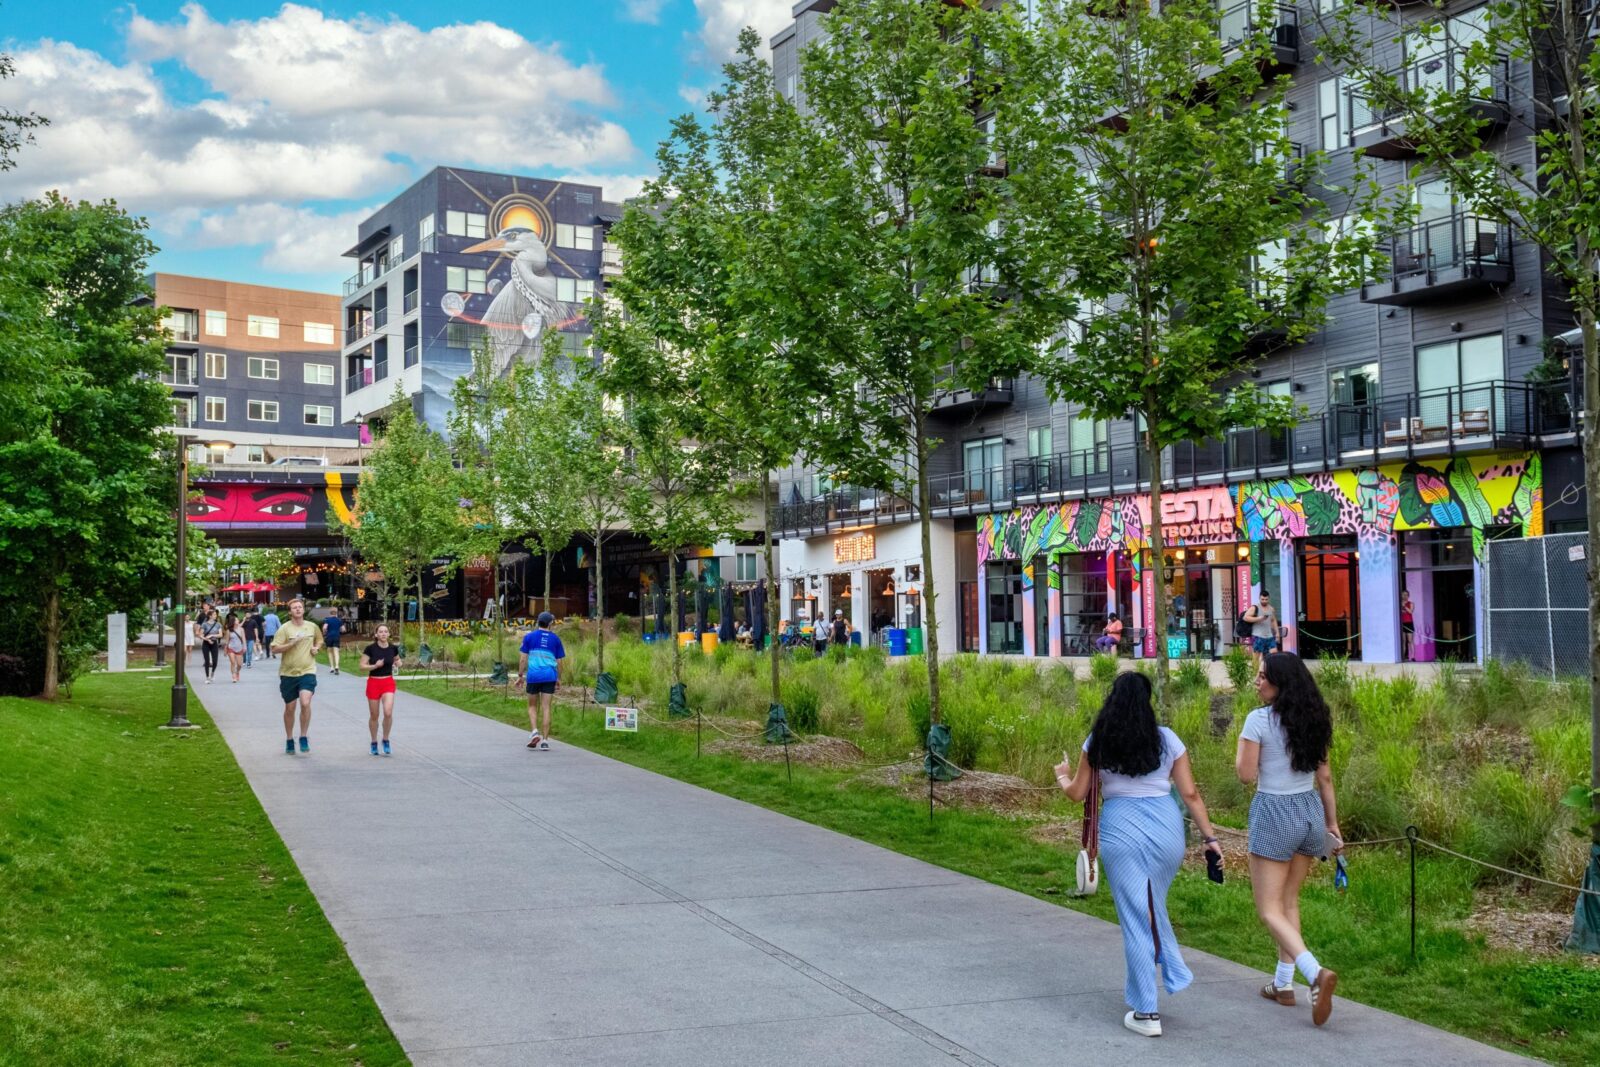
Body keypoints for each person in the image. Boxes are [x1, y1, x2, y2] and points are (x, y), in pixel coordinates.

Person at [1055, 672, 1223, 1038]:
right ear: (1147, 700)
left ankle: (1147, 1011)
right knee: (1150, 906)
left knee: (1136, 916)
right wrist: (1210, 838)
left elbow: (1078, 793)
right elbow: (1191, 795)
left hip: (1120, 828)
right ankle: (1169, 970)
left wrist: (1062, 777)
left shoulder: (1099, 739)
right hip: (1166, 829)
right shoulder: (1167, 740)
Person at [1236, 651, 1342, 1026]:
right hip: (1309, 812)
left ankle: (1314, 974)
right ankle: (1283, 984)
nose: (1257, 680)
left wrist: (1242, 747)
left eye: (1263, 676)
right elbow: (1325, 778)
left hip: (1273, 811)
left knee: (1268, 910)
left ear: (1280, 682)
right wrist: (1333, 825)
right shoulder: (1315, 718)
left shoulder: (1258, 720)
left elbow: (1246, 775)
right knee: (1289, 901)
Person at [275, 598, 323, 755]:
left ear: (303, 609)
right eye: (294, 608)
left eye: (300, 607)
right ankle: (289, 739)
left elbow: (320, 639)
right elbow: (274, 649)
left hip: (308, 671)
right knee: (290, 708)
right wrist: (292, 643)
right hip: (288, 673)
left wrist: (316, 648)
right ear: (290, 612)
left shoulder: (312, 627)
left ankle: (303, 736)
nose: (297, 609)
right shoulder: (284, 629)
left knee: (305, 702)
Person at [519, 611, 565, 750]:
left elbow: (523, 659)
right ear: (550, 623)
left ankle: (534, 733)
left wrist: (520, 675)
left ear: (538, 622)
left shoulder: (529, 637)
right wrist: (558, 678)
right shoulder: (556, 639)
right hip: (549, 676)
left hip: (533, 676)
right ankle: (545, 741)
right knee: (546, 708)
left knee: (532, 706)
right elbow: (560, 662)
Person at [360, 624, 402, 756]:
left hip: (388, 682)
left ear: (389, 634)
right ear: (376, 634)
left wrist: (398, 663)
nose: (383, 634)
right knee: (374, 715)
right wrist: (375, 665)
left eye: (386, 631)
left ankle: (385, 739)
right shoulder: (370, 649)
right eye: (380, 632)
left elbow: (397, 659)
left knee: (388, 712)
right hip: (374, 682)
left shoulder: (393, 648)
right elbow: (362, 666)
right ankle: (373, 742)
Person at [1243, 590, 1280, 670]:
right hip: (1258, 636)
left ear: (1268, 599)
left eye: (1266, 599)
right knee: (1256, 658)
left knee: (1274, 656)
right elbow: (1245, 617)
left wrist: (1277, 633)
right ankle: (1255, 675)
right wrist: (1260, 618)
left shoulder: (1271, 609)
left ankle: (1271, 674)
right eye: (1262, 599)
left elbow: (1273, 620)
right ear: (1259, 598)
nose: (1264, 601)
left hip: (1269, 636)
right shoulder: (1254, 607)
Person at [197, 608, 222, 684]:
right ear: (210, 616)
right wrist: (207, 639)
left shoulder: (218, 624)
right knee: (207, 661)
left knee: (215, 661)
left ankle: (212, 673)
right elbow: (200, 635)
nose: (216, 616)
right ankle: (207, 677)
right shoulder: (204, 624)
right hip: (206, 643)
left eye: (216, 614)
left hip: (214, 643)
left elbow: (221, 634)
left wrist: (212, 635)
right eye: (214, 614)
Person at [322, 608, 345, 675]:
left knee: (329, 652)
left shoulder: (327, 620)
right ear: (336, 613)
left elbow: (324, 628)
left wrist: (324, 632)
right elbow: (343, 629)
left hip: (329, 637)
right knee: (336, 652)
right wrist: (339, 630)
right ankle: (337, 666)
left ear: (330, 613)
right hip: (336, 636)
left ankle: (332, 667)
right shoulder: (339, 620)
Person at [224, 615, 246, 683]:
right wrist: (225, 649)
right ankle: (233, 676)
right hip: (231, 648)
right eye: (236, 620)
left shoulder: (241, 629)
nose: (238, 621)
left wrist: (244, 647)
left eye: (237, 620)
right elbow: (227, 641)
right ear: (233, 622)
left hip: (239, 648)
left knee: (239, 664)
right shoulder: (229, 631)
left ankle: (237, 672)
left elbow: (244, 639)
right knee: (233, 662)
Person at [1400, 590, 1414, 660]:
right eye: (1403, 595)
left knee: (1410, 641)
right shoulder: (1399, 604)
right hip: (1402, 623)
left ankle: (1413, 657)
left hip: (1409, 623)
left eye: (1406, 595)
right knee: (1403, 641)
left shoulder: (1411, 603)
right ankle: (1403, 656)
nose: (1405, 596)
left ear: (1408, 596)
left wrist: (1404, 606)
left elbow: (1410, 612)